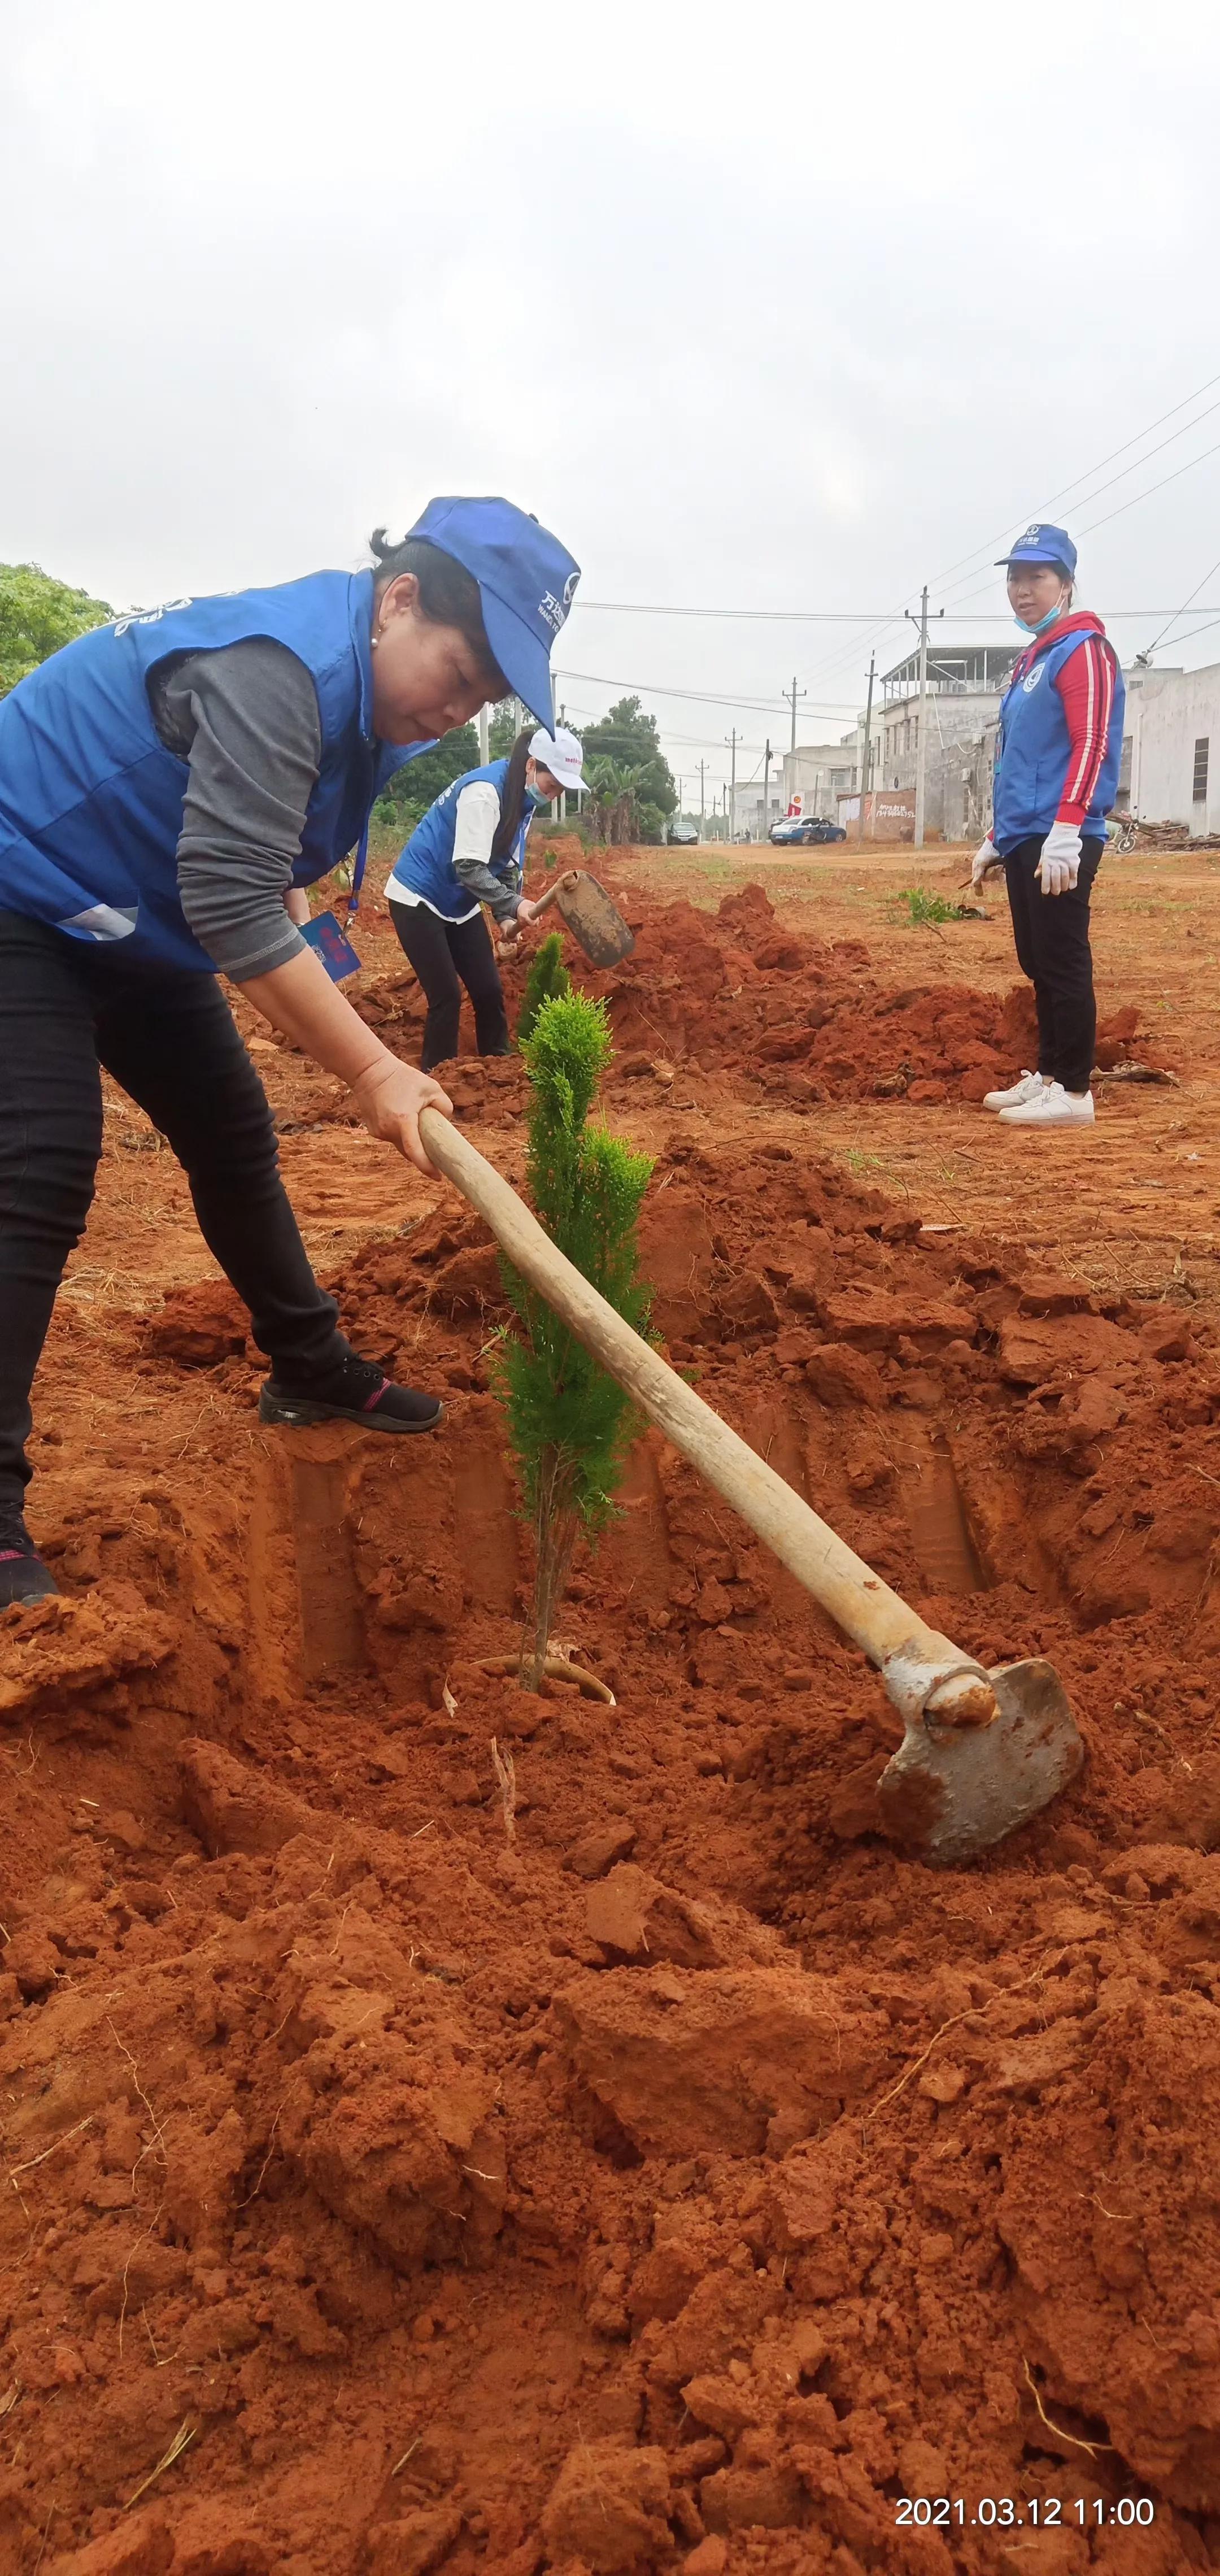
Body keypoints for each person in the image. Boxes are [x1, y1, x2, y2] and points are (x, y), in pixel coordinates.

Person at [0, 496, 580, 1605]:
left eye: (482, 703)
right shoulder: (281, 668)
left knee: (233, 1134)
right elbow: (226, 898)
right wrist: (372, 1069)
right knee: (40, 1161)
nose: (456, 711)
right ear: (399, 599)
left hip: (132, 915)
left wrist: (319, 968)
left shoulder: (361, 699)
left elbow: (261, 867)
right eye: (458, 677)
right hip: (21, 890)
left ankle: (310, 1372)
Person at [971, 522, 1125, 1129]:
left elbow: (1091, 742)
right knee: (1036, 959)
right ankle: (1050, 1073)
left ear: (1066, 582)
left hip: (1063, 835)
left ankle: (1076, 1093)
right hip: (1027, 832)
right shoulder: (1033, 659)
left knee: (1063, 958)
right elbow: (1017, 757)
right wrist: (995, 836)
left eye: (1037, 576)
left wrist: (1069, 826)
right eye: (1014, 578)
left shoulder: (1084, 649)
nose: (1022, 590)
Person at [386, 723, 587, 1069]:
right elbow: (468, 867)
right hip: (418, 896)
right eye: (552, 785)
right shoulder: (484, 793)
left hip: (458, 903)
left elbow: (505, 864)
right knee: (446, 996)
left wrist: (506, 919)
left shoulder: (524, 798)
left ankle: (499, 1070)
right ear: (531, 765)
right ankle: (440, 1077)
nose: (553, 795)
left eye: (559, 791)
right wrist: (515, 904)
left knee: (488, 990)